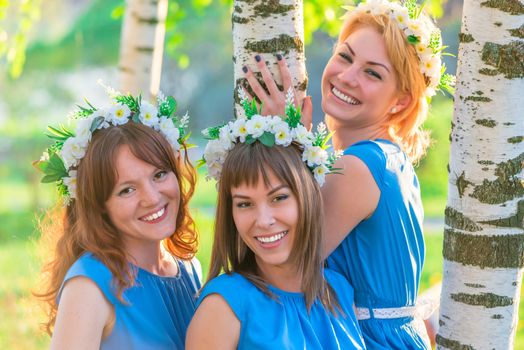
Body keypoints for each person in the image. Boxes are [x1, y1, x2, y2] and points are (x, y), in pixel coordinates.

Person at [242, 0, 454, 348]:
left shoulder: (358, 167)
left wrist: (279, 142)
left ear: (400, 101)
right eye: (345, 56)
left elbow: (278, 261)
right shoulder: (389, 159)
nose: (347, 76)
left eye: (373, 73)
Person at [185, 95, 366, 349]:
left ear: (308, 197)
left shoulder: (338, 290)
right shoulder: (224, 306)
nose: (264, 220)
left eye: (279, 198)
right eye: (245, 204)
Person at [34, 89, 201, 350]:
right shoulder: (90, 287)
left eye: (159, 174)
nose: (152, 197)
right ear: (100, 206)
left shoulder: (189, 268)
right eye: (127, 190)